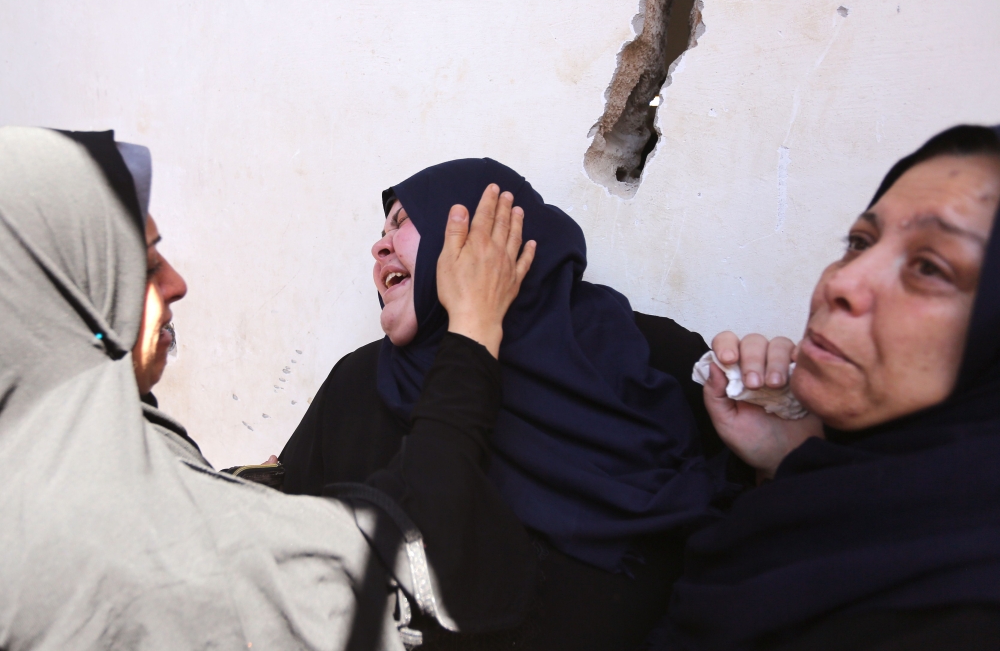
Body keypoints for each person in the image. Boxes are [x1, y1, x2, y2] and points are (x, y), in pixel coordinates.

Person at [0, 126, 536, 650]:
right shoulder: (100, 511)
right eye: (143, 265)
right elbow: (393, 561)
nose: (176, 284)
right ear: (63, 292)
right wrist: (472, 331)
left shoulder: (43, 443)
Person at [280, 158, 740, 649]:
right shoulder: (361, 385)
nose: (379, 247)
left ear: (494, 232)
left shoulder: (641, 354)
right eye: (381, 231)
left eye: (403, 221)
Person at [657, 124, 1000, 650]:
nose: (841, 282)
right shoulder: (842, 502)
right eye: (859, 242)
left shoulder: (959, 613)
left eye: (929, 267)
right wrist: (782, 464)